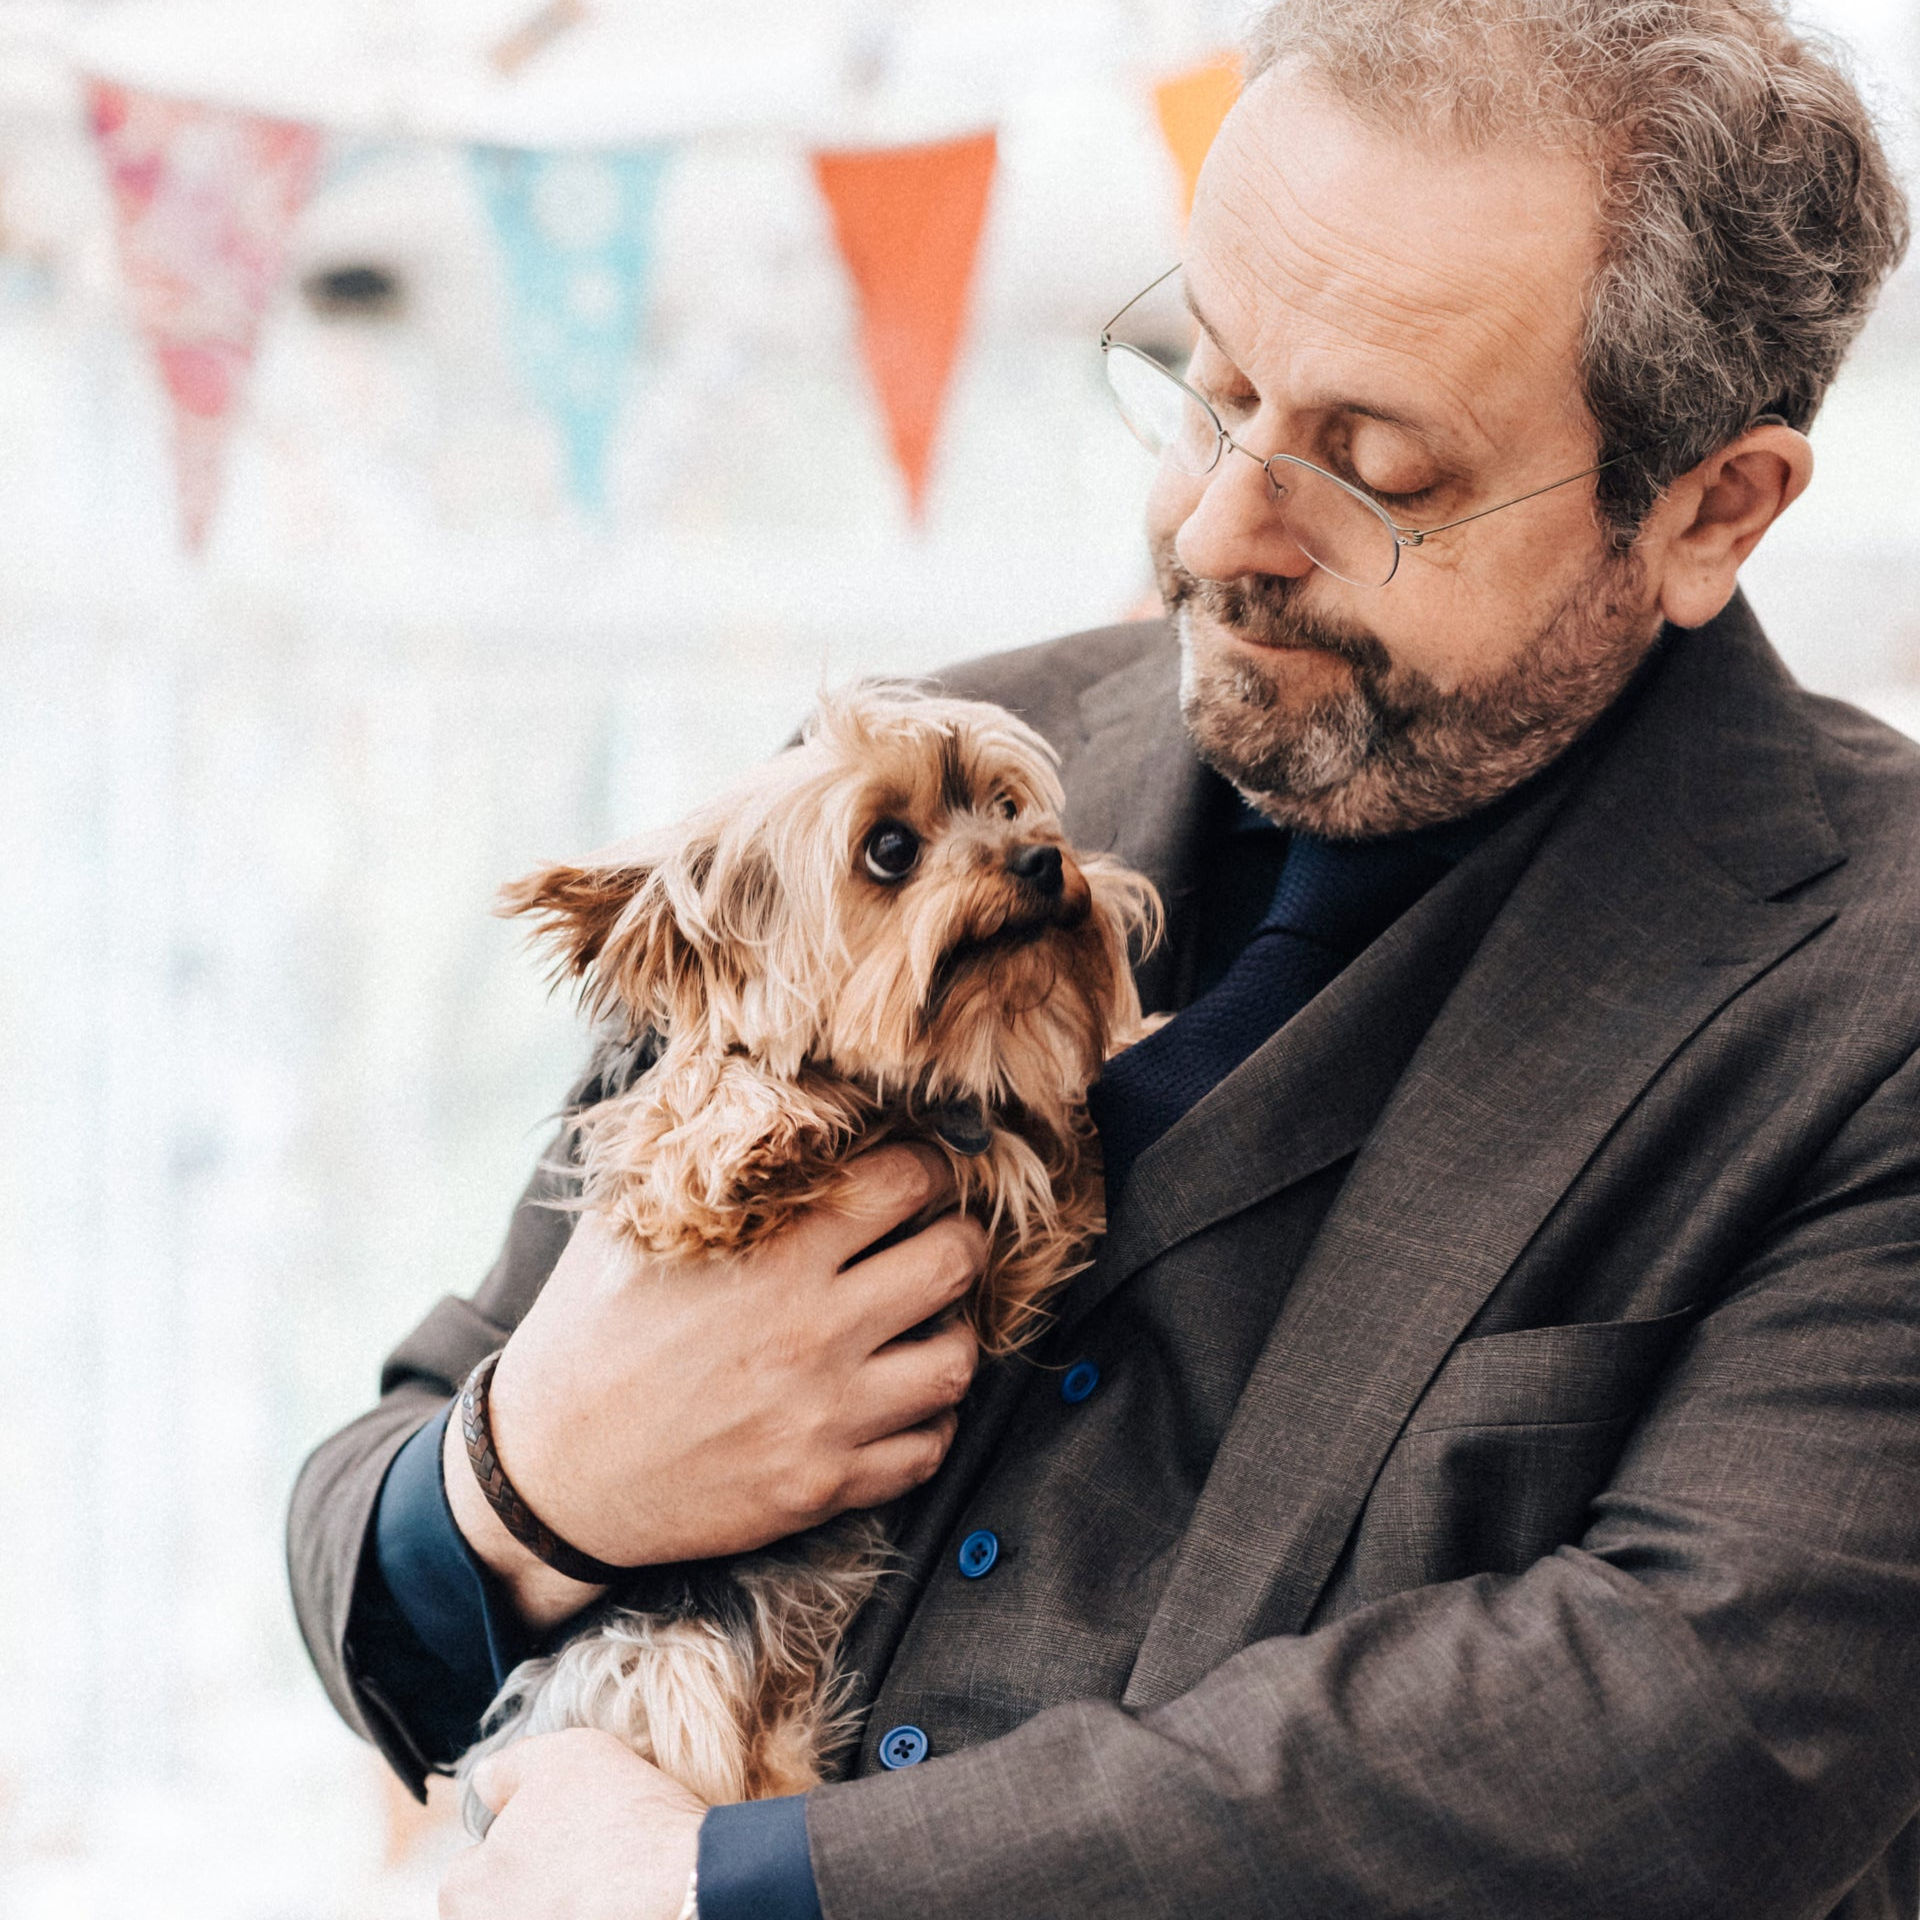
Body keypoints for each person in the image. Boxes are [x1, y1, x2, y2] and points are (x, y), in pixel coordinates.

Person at [288, 0, 1920, 1913]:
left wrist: (753, 1884)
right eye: (1206, 382)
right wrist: (533, 1479)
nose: (1209, 531)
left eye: (1373, 463)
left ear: (1712, 506)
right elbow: (368, 1517)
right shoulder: (925, 764)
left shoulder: (1869, 991)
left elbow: (1677, 1739)